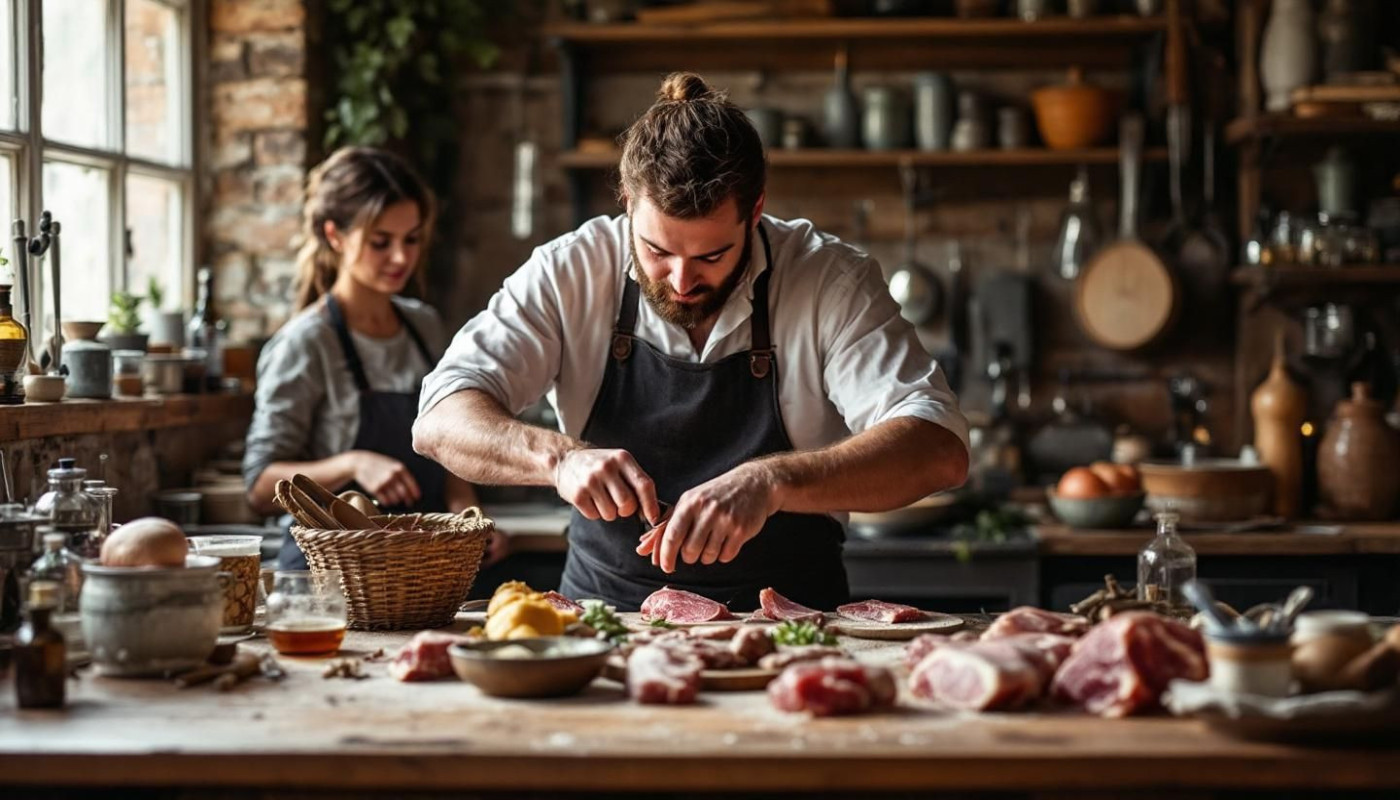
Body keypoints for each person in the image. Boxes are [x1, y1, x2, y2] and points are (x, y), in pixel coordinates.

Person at [413, 73, 969, 611]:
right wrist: (558, 459)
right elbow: (440, 419)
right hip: (604, 626)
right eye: (657, 251)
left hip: (794, 628)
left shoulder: (828, 279)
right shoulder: (570, 271)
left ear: (754, 213)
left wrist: (772, 479)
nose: (681, 282)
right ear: (628, 202)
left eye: (710, 256)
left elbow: (938, 450)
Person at [243, 146, 498, 569]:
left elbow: (449, 445)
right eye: (380, 242)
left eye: (412, 239)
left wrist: (470, 524)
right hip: (332, 578)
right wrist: (353, 463)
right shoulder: (305, 343)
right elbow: (258, 485)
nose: (401, 257)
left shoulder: (425, 326)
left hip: (420, 570)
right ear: (335, 236)